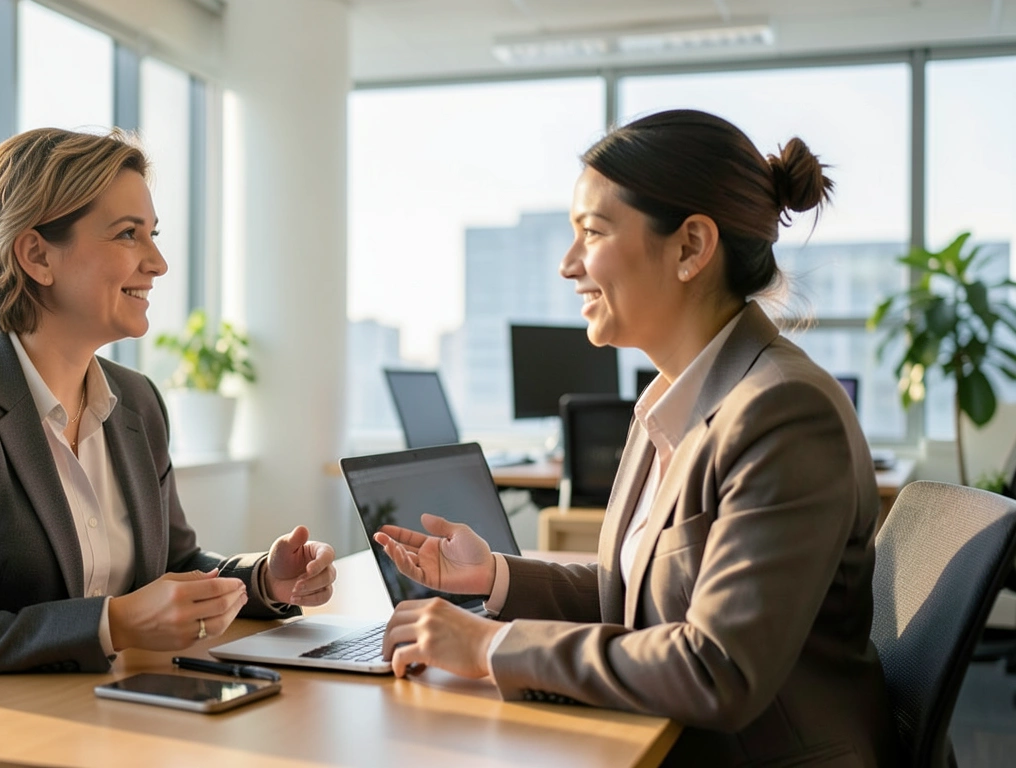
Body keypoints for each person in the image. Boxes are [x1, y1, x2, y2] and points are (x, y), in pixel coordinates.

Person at [374, 110, 899, 765]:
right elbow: (638, 598)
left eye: (591, 232)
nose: (568, 266)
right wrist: (496, 577)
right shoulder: (668, 402)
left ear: (690, 248)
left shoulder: (783, 412)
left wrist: (487, 649)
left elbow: (717, 668)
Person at [0, 127, 335, 706]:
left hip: (105, 707)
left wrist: (265, 579)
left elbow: (173, 568)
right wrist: (112, 625)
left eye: (152, 235)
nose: (157, 263)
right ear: (36, 255)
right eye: (129, 235)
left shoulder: (138, 403)